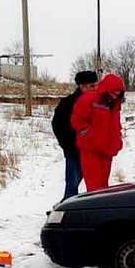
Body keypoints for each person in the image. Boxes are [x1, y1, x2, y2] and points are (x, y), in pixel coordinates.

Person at [71, 73, 125, 192]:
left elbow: (116, 126)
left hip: (107, 150)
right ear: (107, 89)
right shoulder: (88, 99)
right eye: (114, 91)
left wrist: (117, 140)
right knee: (94, 187)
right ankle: (94, 209)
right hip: (91, 150)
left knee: (103, 187)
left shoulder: (115, 105)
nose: (116, 95)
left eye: (119, 92)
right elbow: (77, 121)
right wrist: (90, 136)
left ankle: (102, 209)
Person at [52, 70, 99, 199]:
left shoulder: (98, 102)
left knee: (97, 189)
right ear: (82, 86)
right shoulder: (68, 103)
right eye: (92, 86)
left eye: (96, 85)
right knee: (71, 188)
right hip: (75, 153)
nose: (96, 88)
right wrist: (69, 147)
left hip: (93, 153)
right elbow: (57, 126)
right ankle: (64, 213)